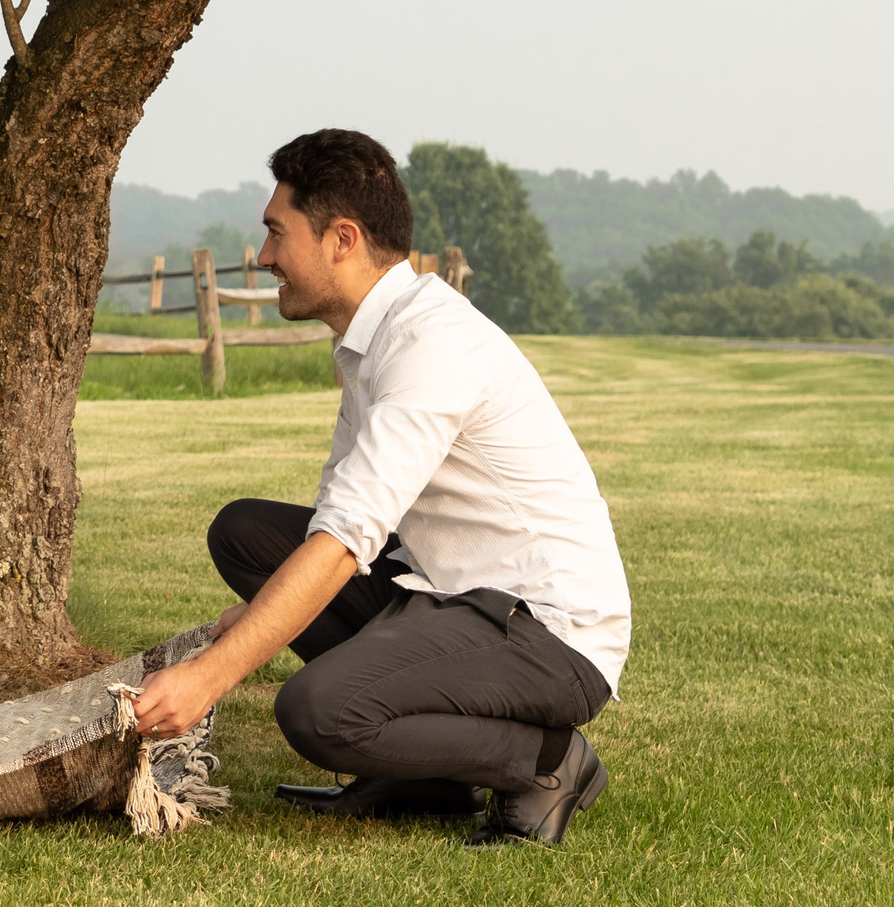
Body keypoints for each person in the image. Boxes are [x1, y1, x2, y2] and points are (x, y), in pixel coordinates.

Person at [129, 129, 630, 848]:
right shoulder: (374, 339)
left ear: (341, 238)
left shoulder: (429, 344)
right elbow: (341, 515)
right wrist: (260, 616)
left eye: (276, 232)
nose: (266, 255)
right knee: (244, 532)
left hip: (548, 634)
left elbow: (343, 545)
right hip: (455, 592)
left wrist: (209, 677)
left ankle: (549, 762)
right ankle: (428, 777)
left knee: (319, 712)